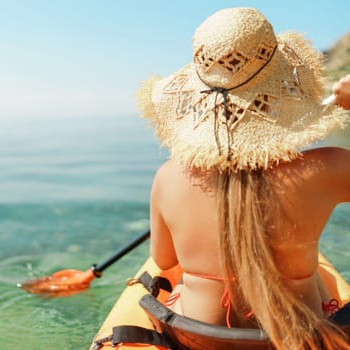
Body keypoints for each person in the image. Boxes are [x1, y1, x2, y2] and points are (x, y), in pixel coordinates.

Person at [138, 7, 350, 350]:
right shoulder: (327, 168)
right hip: (298, 336)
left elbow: (164, 261)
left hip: (198, 338)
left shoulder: (169, 177)